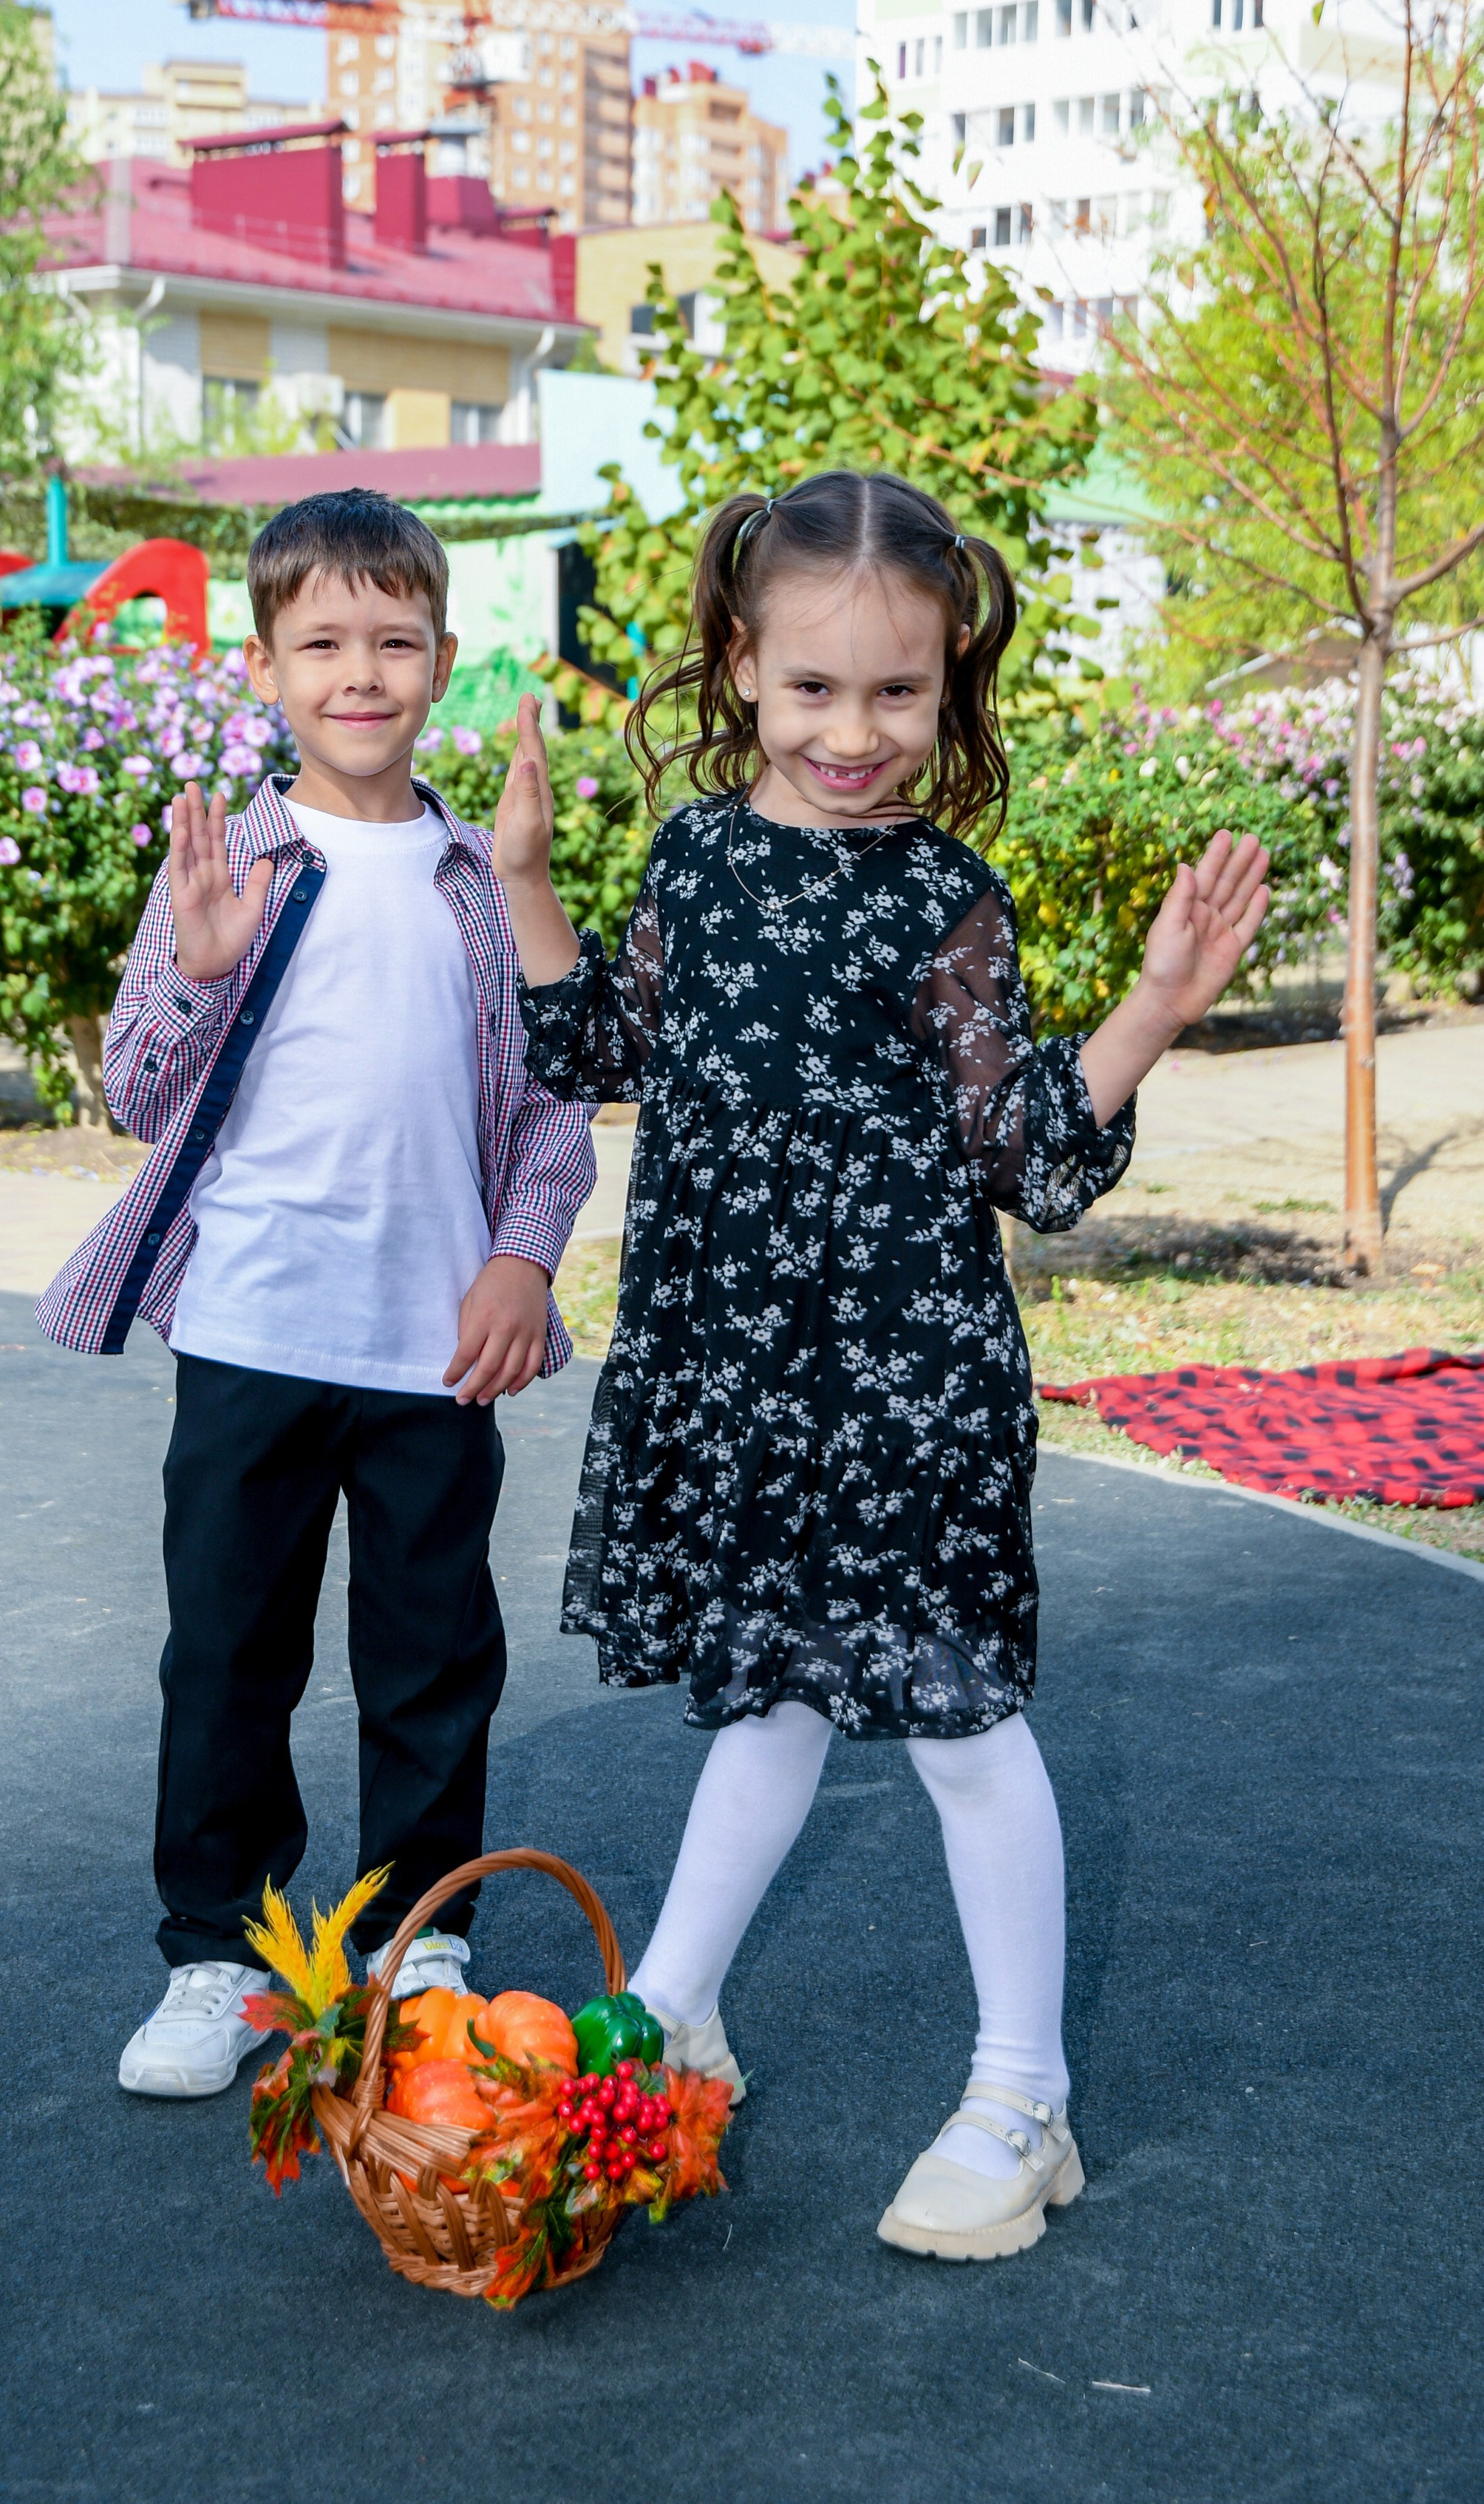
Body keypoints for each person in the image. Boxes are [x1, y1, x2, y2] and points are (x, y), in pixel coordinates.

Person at [491, 469, 1267, 2259]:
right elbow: (597, 1046)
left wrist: (1149, 1010)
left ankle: (1021, 2098)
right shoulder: (691, 853)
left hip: (904, 1372)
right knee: (764, 1692)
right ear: (740, 668)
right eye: (816, 689)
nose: (857, 732)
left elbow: (1034, 1167)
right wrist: (528, 888)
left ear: (949, 689)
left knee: (957, 1724)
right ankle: (676, 2005)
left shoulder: (944, 898)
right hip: (732, 1361)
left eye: (898, 693)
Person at [37, 489, 595, 2100]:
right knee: (227, 1656)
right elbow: (142, 1094)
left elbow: (553, 1104)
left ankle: (418, 1942)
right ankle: (216, 1954)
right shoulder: (233, 864)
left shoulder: (481, 882)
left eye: (394, 640)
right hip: (254, 1335)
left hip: (435, 1346)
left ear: (440, 656)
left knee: (432, 1654)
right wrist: (198, 975)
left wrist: (519, 1259)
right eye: (323, 643)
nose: (362, 672)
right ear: (267, 665)